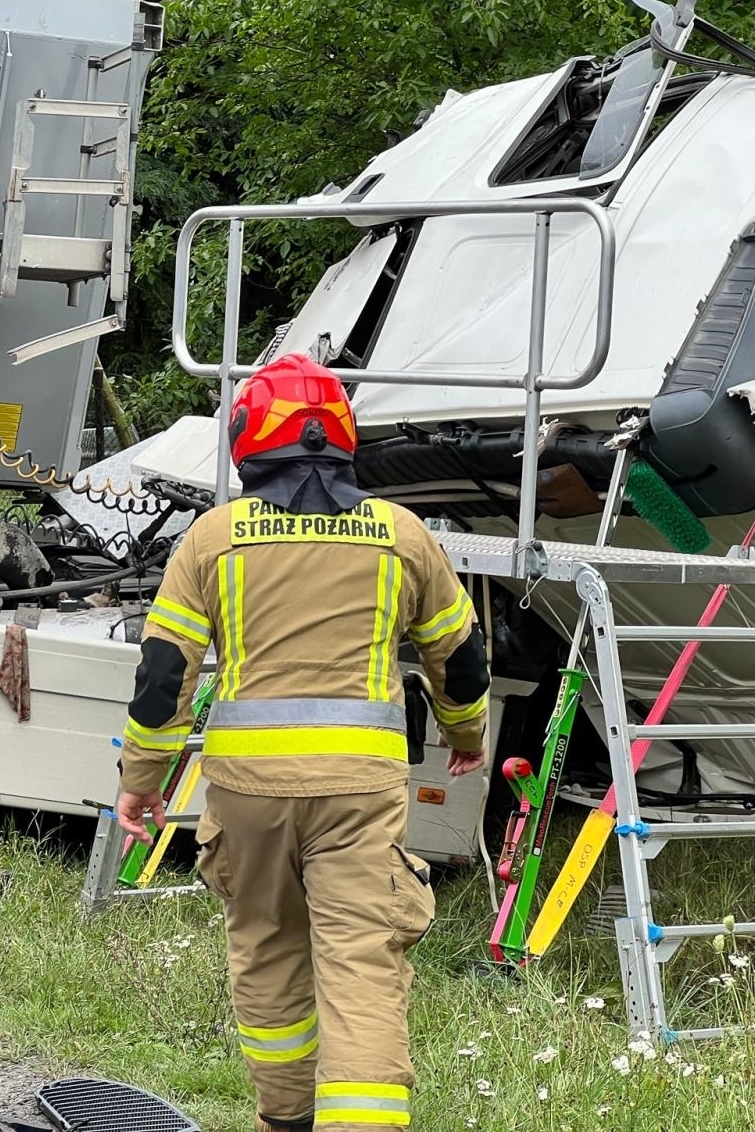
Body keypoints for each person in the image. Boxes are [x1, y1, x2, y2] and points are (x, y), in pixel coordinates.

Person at [116, 353, 490, 1132]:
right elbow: (460, 658)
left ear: (249, 440)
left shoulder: (212, 540)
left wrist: (143, 781)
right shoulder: (403, 537)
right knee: (360, 967)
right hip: (358, 798)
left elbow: (162, 677)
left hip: (248, 797)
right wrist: (466, 733)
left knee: (267, 951)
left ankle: (284, 1118)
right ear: (343, 438)